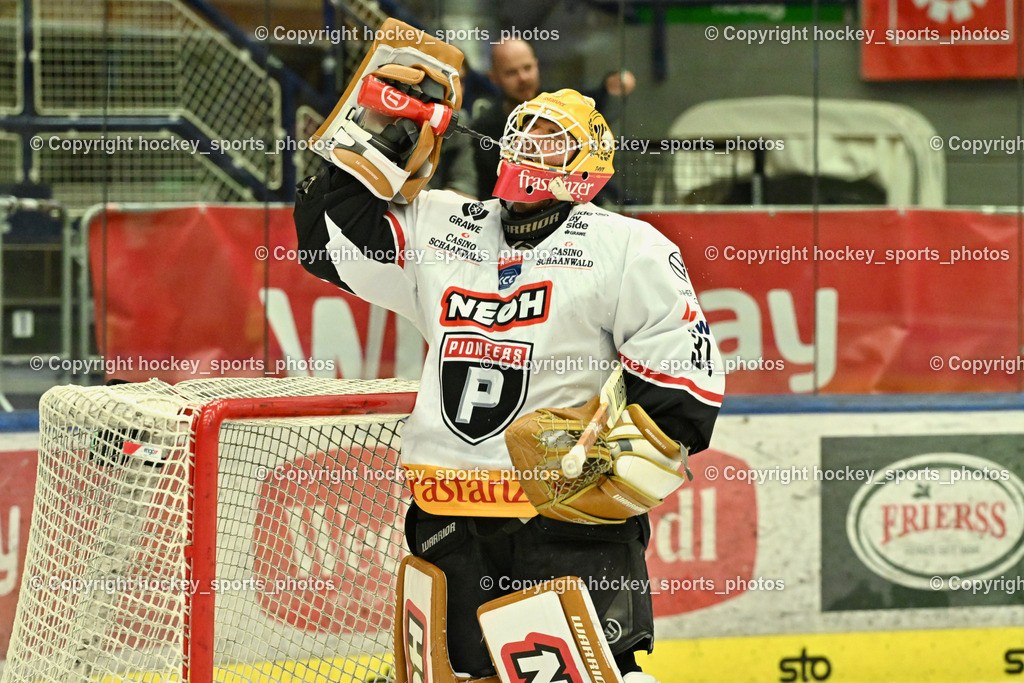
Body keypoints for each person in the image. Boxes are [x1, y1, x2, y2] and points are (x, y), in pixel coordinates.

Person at [295, 80, 723, 681]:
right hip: (448, 517)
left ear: (587, 164)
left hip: (566, 527)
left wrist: (625, 461)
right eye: (523, 136)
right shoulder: (444, 224)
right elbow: (328, 242)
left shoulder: (627, 246)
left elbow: (684, 374)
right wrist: (381, 134)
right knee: (459, 675)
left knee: (602, 674)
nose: (529, 151)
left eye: (551, 143)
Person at [472, 38, 636, 201]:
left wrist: (611, 87)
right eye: (511, 72)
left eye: (527, 68)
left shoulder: (564, 107)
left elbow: (597, 102)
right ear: (493, 78)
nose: (523, 78)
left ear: (536, 65)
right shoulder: (483, 129)